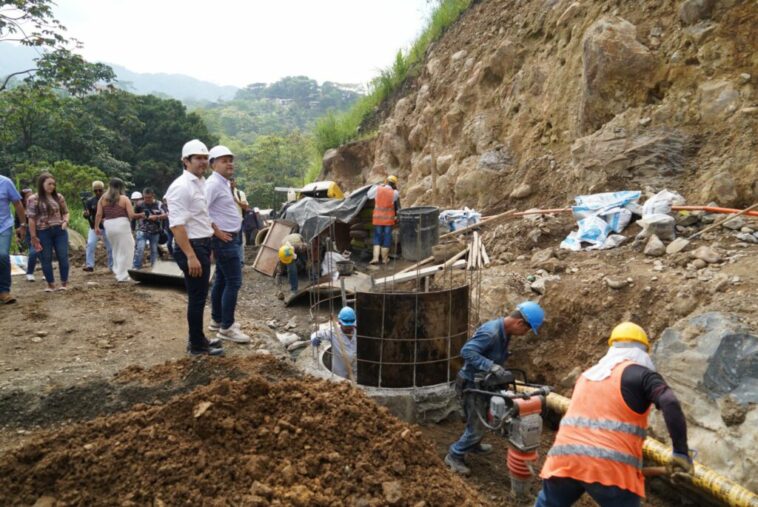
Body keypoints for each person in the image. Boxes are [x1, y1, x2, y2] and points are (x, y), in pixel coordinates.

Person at [536, 322, 692, 507]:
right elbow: (670, 402)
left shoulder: (588, 375)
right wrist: (681, 453)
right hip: (609, 469)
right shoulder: (643, 375)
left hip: (564, 459)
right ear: (643, 351)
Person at [445, 301, 546, 475]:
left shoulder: (504, 332)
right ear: (519, 323)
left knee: (483, 417)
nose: (524, 334)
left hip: (484, 383)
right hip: (472, 384)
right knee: (476, 426)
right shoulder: (491, 333)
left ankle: (474, 445)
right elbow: (466, 351)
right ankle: (454, 455)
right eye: (527, 330)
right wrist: (491, 366)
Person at [165, 139, 223, 356]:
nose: (203, 162)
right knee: (197, 297)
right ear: (185, 161)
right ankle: (197, 346)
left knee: (199, 295)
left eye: (205, 158)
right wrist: (191, 256)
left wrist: (213, 236)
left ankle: (199, 339)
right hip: (191, 247)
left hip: (202, 244)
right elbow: (176, 225)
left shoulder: (200, 182)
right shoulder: (180, 187)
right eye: (198, 158)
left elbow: (201, 216)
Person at [205, 145, 250, 344]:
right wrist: (217, 232)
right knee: (234, 282)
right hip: (225, 239)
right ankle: (227, 327)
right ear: (213, 164)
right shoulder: (213, 184)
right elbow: (200, 210)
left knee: (222, 280)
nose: (229, 163)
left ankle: (217, 319)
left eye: (230, 159)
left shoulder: (224, 183)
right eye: (224, 160)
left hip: (230, 237)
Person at [27, 173, 70, 292]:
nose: (52, 186)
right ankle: (50, 284)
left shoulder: (59, 197)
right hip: (43, 231)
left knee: (63, 256)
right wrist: (33, 236)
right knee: (46, 258)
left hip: (59, 230)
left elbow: (66, 212)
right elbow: (31, 218)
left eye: (53, 184)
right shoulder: (33, 199)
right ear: (42, 184)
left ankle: (64, 283)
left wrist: (65, 221)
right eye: (49, 184)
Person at [94, 178, 141, 282]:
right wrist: (143, 215)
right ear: (121, 187)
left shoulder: (102, 198)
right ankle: (124, 275)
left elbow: (98, 214)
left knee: (116, 249)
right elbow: (132, 215)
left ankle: (118, 271)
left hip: (109, 226)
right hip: (122, 225)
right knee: (127, 250)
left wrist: (96, 227)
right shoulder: (124, 198)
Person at [311, 306, 357, 382]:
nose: (349, 327)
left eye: (351, 325)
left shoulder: (359, 332)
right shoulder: (333, 332)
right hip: (339, 372)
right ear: (339, 322)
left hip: (355, 370)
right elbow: (316, 334)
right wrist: (314, 338)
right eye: (346, 326)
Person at [0, 175, 26, 303]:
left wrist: (22, 224)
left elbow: (17, 203)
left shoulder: (6, 182)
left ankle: (4, 291)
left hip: (4, 226)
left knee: (3, 255)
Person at [367, 175, 400, 265]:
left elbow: (369, 195)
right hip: (388, 220)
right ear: (395, 184)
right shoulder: (395, 193)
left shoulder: (377, 189)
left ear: (386, 181)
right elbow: (396, 201)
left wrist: (379, 186)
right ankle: (385, 259)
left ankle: (375, 258)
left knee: (377, 236)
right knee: (387, 236)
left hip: (377, 218)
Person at [132, 188, 166, 269]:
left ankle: (154, 268)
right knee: (140, 249)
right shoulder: (139, 204)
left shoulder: (159, 204)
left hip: (155, 232)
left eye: (149, 197)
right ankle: (136, 267)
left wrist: (157, 217)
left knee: (154, 251)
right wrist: (141, 215)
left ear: (153, 196)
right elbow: (133, 216)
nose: (147, 199)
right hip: (142, 231)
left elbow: (166, 215)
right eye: (145, 197)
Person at [83, 180, 113, 272]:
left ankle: (112, 266)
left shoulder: (109, 200)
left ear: (103, 190)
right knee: (90, 244)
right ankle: (89, 265)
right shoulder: (90, 201)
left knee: (110, 247)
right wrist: (85, 214)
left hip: (108, 226)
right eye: (95, 191)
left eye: (100, 190)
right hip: (94, 226)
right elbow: (86, 214)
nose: (98, 192)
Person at [229, 176, 249, 265]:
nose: (231, 183)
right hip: (225, 222)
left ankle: (240, 262)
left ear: (235, 182)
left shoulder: (240, 193)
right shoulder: (222, 193)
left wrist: (236, 200)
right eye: (229, 181)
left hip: (238, 221)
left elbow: (245, 206)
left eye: (232, 181)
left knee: (239, 241)